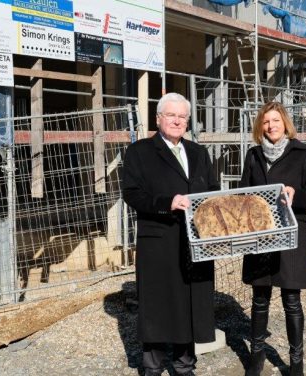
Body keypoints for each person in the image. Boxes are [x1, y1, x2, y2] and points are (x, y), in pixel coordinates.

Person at [122, 92, 219, 376]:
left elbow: (213, 191)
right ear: (158, 118)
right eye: (171, 115)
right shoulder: (139, 152)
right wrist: (167, 203)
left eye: (182, 117)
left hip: (195, 241)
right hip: (160, 240)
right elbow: (132, 193)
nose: (177, 121)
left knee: (190, 302)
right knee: (157, 303)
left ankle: (184, 364)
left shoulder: (199, 153)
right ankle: (152, 366)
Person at [240, 102, 306, 376]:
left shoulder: (304, 153)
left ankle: (296, 362)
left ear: (285, 123)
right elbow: (243, 194)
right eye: (265, 122)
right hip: (260, 234)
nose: (271, 126)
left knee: (291, 300)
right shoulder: (253, 155)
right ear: (259, 126)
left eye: (275, 120)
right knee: (259, 298)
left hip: (291, 234)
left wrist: (294, 193)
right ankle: (256, 359)